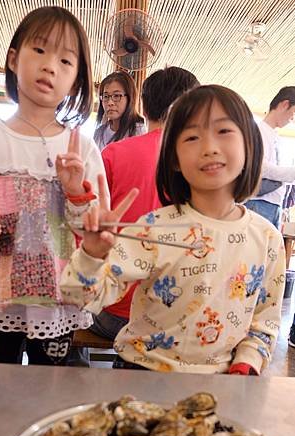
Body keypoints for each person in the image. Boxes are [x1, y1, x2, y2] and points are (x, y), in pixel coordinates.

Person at [61, 84, 286, 375]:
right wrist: (92, 253)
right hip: (140, 373)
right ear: (174, 159)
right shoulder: (154, 228)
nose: (209, 147)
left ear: (250, 146)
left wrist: (247, 363)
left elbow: (264, 323)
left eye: (224, 131)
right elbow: (81, 297)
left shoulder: (267, 238)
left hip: (224, 382)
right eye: (192, 137)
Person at [0, 6, 109, 364]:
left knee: (53, 385)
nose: (50, 66)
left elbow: (97, 225)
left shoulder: (81, 147)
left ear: (76, 79)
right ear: (13, 59)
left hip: (57, 295)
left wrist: (75, 191)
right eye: (39, 50)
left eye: (66, 61)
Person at [90, 66, 199, 340]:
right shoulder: (202, 163)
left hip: (113, 312)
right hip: (176, 317)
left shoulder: (113, 153)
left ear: (143, 106)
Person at [244, 86, 295, 229]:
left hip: (274, 204)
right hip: (258, 202)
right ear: (285, 104)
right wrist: (291, 173)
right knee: (255, 250)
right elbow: (261, 167)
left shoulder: (275, 136)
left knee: (270, 250)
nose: (292, 120)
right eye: (293, 114)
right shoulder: (258, 130)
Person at [93, 71, 146, 151]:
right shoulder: (99, 133)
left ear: (130, 98)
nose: (110, 102)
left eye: (117, 96)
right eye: (106, 96)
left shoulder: (141, 131)